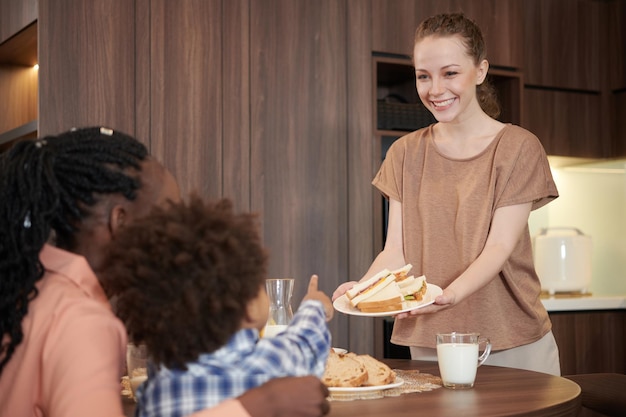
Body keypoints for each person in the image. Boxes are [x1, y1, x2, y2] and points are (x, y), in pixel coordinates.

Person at [0, 127, 331, 417]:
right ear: (121, 221)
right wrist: (260, 406)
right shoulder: (83, 323)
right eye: (166, 216)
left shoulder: (23, 288)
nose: (178, 233)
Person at [333, 13, 561, 376]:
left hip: (512, 339)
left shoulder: (518, 147)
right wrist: (363, 292)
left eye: (450, 73)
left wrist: (448, 295)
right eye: (424, 76)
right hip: (431, 339)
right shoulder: (405, 153)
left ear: (481, 71)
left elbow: (499, 247)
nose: (435, 89)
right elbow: (396, 251)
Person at [99, 196, 334, 417]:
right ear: (250, 309)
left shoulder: (157, 387)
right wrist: (315, 304)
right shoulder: (272, 362)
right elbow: (306, 340)